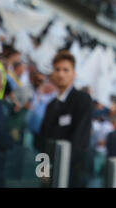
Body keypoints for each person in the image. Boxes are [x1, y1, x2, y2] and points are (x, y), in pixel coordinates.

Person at [36, 50, 93, 188]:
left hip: (73, 175)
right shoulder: (50, 106)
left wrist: (59, 165)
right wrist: (44, 167)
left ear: (74, 74)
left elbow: (80, 138)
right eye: (57, 70)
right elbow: (43, 139)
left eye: (66, 70)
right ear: (52, 74)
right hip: (50, 175)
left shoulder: (82, 100)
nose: (61, 74)